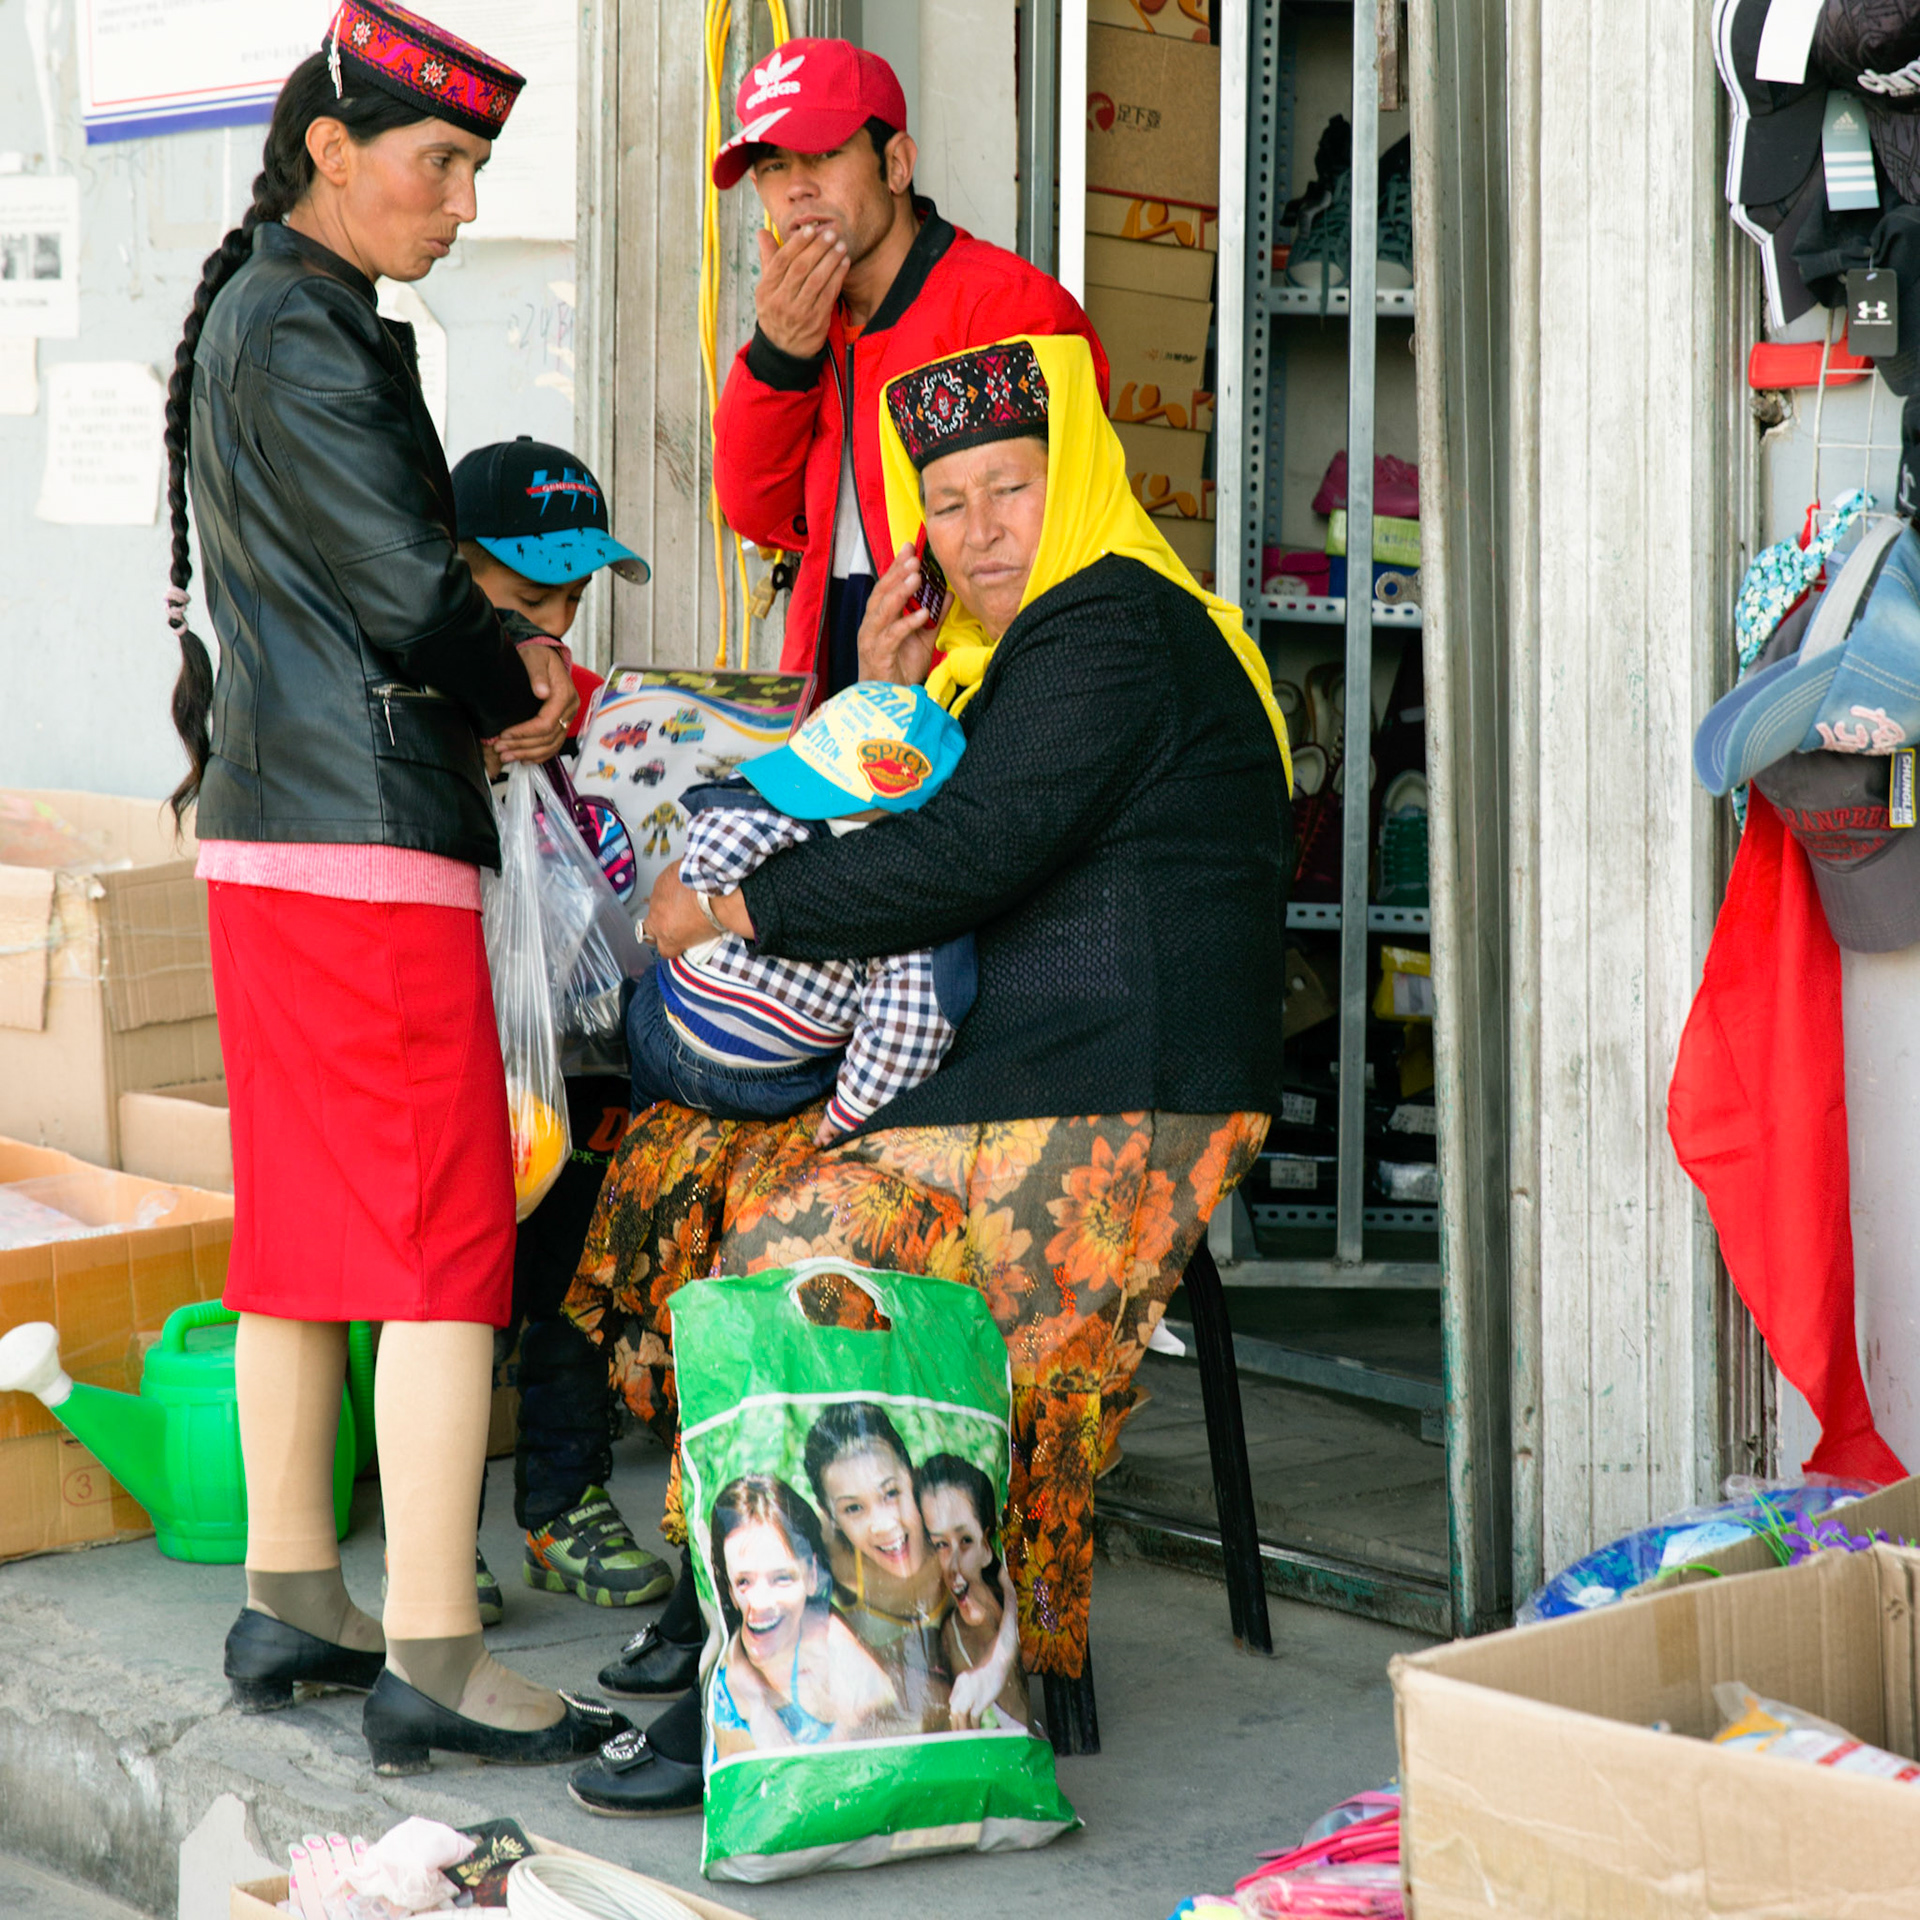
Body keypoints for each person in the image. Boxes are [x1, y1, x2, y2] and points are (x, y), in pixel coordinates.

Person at [563, 331, 1291, 1810]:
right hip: (1018, 1075)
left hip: (1109, 1090)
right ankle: (747, 1625)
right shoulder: (1018, 656)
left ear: (1074, 475)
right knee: (700, 1169)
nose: (978, 534)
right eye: (945, 505)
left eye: (1010, 490)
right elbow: (928, 808)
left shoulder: (1113, 630)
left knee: (798, 1251)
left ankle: (803, 1681)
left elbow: (962, 855)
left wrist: (726, 907)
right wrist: (895, 692)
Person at [165, 7, 625, 1772]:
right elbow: (404, 590)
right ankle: (433, 1640)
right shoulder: (312, 333)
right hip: (367, 841)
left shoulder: (265, 317)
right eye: (437, 165)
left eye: (477, 170)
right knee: (441, 1241)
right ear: (330, 153)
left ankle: (297, 1590)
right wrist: (520, 696)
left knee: (300, 1233)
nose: (456, 200)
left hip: (280, 832)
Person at [709, 36, 1108, 701]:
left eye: (825, 153)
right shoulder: (802, 319)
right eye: (775, 165)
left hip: (975, 679)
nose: (798, 186)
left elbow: (1054, 534)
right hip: (830, 657)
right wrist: (780, 356)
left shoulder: (1005, 308)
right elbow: (757, 513)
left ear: (896, 163)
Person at [448, 437, 669, 1618]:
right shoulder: (418, 682)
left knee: (575, 1262)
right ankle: (441, 1531)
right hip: (456, 1029)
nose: (554, 625)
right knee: (456, 1280)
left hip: (570, 1050)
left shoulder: (570, 710)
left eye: (571, 602)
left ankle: (563, 1504)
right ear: (452, 568)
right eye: (527, 597)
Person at [624, 681, 973, 1140]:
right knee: (843, 1042)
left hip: (664, 1028)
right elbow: (914, 1022)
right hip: (771, 1083)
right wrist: (849, 1112)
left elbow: (707, 847)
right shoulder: (914, 899)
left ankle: (634, 1134)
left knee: (648, 990)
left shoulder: (774, 813)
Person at [699, 1476, 897, 1765]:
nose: (761, 1603)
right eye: (744, 1582)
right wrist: (757, 1706)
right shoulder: (732, 1667)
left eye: (782, 1578)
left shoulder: (834, 1651)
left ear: (812, 1576)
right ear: (729, 1588)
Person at [918, 1453, 1029, 1731]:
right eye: (941, 1544)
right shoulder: (953, 1638)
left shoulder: (1022, 1599)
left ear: (987, 1544)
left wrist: (999, 1662)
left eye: (965, 1540)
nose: (953, 1566)